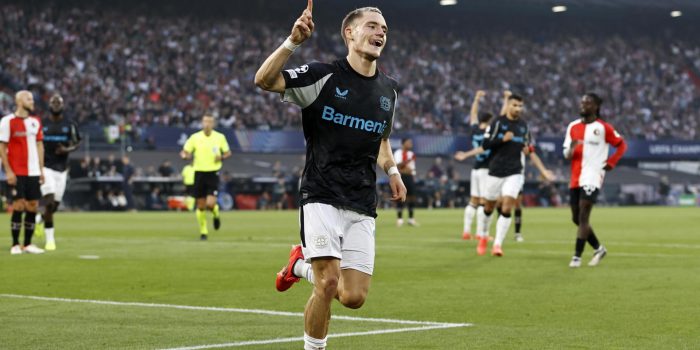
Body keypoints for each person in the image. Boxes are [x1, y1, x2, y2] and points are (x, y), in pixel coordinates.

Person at [254, 3, 406, 350]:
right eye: (372, 26)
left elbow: (381, 138)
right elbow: (264, 80)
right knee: (327, 283)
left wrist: (393, 170)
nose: (380, 32)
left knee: (353, 297)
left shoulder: (388, 91)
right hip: (321, 195)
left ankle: (299, 265)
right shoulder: (321, 76)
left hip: (362, 201)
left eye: (384, 28)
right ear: (349, 34)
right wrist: (292, 43)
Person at [479, 93, 555, 257]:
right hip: (495, 171)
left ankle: (498, 244)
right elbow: (485, 145)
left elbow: (531, 151)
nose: (518, 109)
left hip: (515, 172)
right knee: (489, 207)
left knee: (507, 206)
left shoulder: (524, 127)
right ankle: (484, 236)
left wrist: (543, 171)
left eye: (520, 106)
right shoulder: (497, 123)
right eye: (515, 105)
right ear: (508, 105)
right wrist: (502, 140)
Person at [563, 93, 627, 268]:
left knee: (584, 216)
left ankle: (576, 256)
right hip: (575, 178)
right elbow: (566, 155)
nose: (583, 105)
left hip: (592, 176)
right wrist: (571, 148)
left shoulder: (603, 128)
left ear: (596, 106)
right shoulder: (572, 127)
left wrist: (612, 162)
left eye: (588, 103)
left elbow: (622, 145)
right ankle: (599, 249)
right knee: (576, 218)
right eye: (582, 102)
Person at [0, 91, 45, 254]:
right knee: (19, 205)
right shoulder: (7, 121)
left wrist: (41, 169)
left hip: (33, 171)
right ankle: (14, 244)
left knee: (33, 206)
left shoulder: (35, 122)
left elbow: (40, 146)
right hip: (17, 171)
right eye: (29, 99)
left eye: (32, 98)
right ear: (19, 101)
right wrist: (8, 171)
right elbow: (2, 148)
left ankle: (27, 244)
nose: (32, 101)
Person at [36, 93, 81, 251]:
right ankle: (50, 240)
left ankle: (39, 220)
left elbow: (78, 142)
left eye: (58, 102)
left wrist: (66, 149)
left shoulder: (69, 124)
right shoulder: (41, 123)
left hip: (61, 170)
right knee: (48, 203)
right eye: (53, 102)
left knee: (54, 206)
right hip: (45, 167)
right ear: (49, 105)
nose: (56, 104)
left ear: (62, 105)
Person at [180, 115, 231, 240]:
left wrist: (222, 157)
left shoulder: (220, 137)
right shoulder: (195, 137)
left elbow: (227, 152)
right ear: (202, 123)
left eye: (210, 121)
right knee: (201, 205)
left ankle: (216, 213)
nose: (207, 124)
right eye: (205, 121)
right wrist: (184, 155)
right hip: (199, 173)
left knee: (210, 203)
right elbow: (185, 151)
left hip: (213, 173)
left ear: (213, 124)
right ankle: (204, 232)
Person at [455, 90, 491, 240]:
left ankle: (466, 231)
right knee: (484, 202)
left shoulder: (475, 129)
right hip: (486, 169)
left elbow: (473, 114)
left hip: (475, 168)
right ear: (489, 120)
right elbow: (483, 148)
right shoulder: (489, 131)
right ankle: (480, 233)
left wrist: (476, 98)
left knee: (473, 201)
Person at [393, 137, 418, 227]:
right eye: (409, 142)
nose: (410, 144)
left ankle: (411, 219)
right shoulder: (398, 153)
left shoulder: (411, 153)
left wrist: (412, 172)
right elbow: (397, 166)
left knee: (412, 198)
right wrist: (407, 161)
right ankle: (399, 219)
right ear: (403, 143)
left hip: (410, 177)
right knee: (400, 197)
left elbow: (412, 169)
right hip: (400, 177)